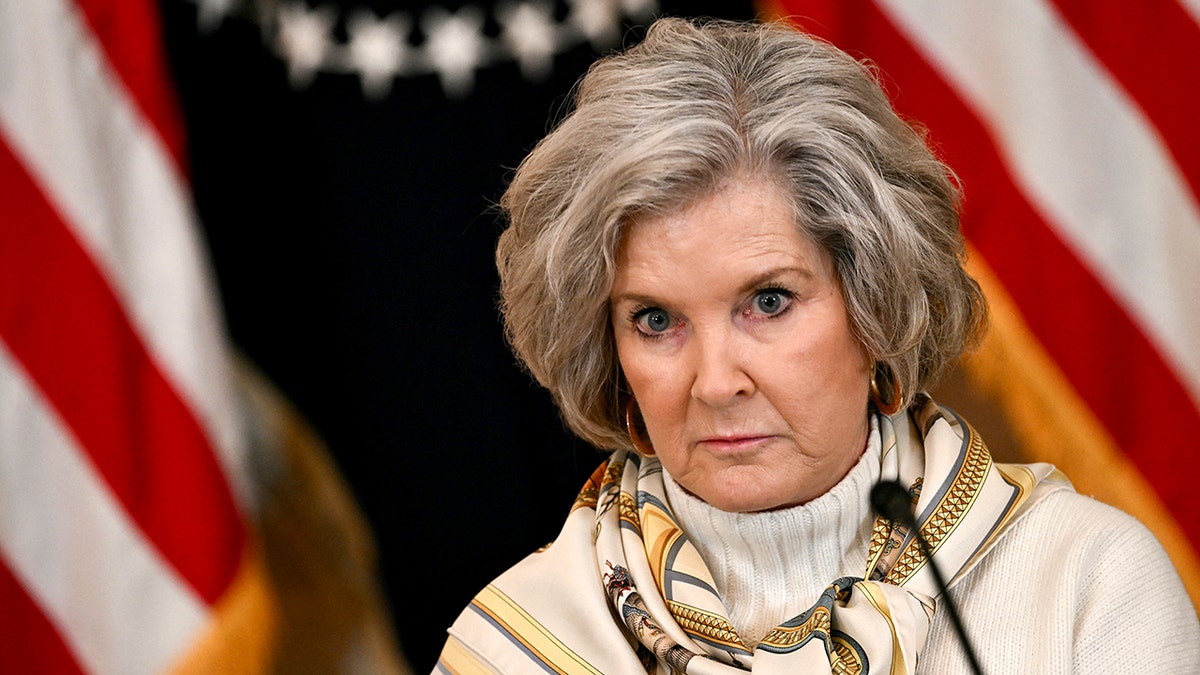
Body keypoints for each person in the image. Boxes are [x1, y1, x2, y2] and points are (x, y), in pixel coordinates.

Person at [435, 17, 1200, 674]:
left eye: (768, 302)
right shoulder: (515, 645)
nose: (715, 381)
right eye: (657, 320)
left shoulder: (1085, 584)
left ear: (875, 304)